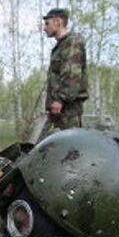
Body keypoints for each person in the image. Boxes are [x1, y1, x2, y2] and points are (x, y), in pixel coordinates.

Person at [39, 8, 88, 139]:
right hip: (59, 108)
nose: (44, 28)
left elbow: (72, 75)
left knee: (71, 147)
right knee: (49, 146)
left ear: (58, 22)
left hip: (67, 108)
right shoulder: (61, 45)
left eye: (47, 23)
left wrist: (60, 99)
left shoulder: (71, 42)